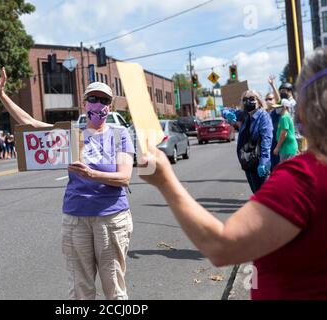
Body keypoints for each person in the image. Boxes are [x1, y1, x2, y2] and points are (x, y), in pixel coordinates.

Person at [138, 47, 327, 300]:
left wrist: (164, 180)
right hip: (249, 165)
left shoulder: (302, 179)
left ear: (302, 111)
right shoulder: (248, 118)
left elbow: (221, 247)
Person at [0, 67, 135, 300]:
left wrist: (91, 174)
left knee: (114, 288)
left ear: (110, 106)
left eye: (104, 100)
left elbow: (124, 177)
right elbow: (30, 122)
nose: (98, 105)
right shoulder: (72, 133)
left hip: (111, 219)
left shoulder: (120, 134)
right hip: (76, 219)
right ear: (85, 104)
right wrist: (2, 95)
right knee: (80, 290)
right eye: (93, 99)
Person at [237, 90, 273, 193]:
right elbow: (226, 111)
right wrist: (227, 114)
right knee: (256, 193)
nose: (248, 102)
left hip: (259, 161)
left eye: (252, 99)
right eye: (245, 99)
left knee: (263, 196)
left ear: (259, 101)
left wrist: (263, 162)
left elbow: (266, 140)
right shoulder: (245, 115)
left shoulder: (263, 116)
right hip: (247, 161)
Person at [265, 90, 281, 171]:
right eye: (266, 99)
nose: (268, 101)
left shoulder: (276, 111)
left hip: (276, 144)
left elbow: (278, 100)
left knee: (277, 167)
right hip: (267, 145)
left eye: (270, 99)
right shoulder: (263, 113)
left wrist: (272, 85)